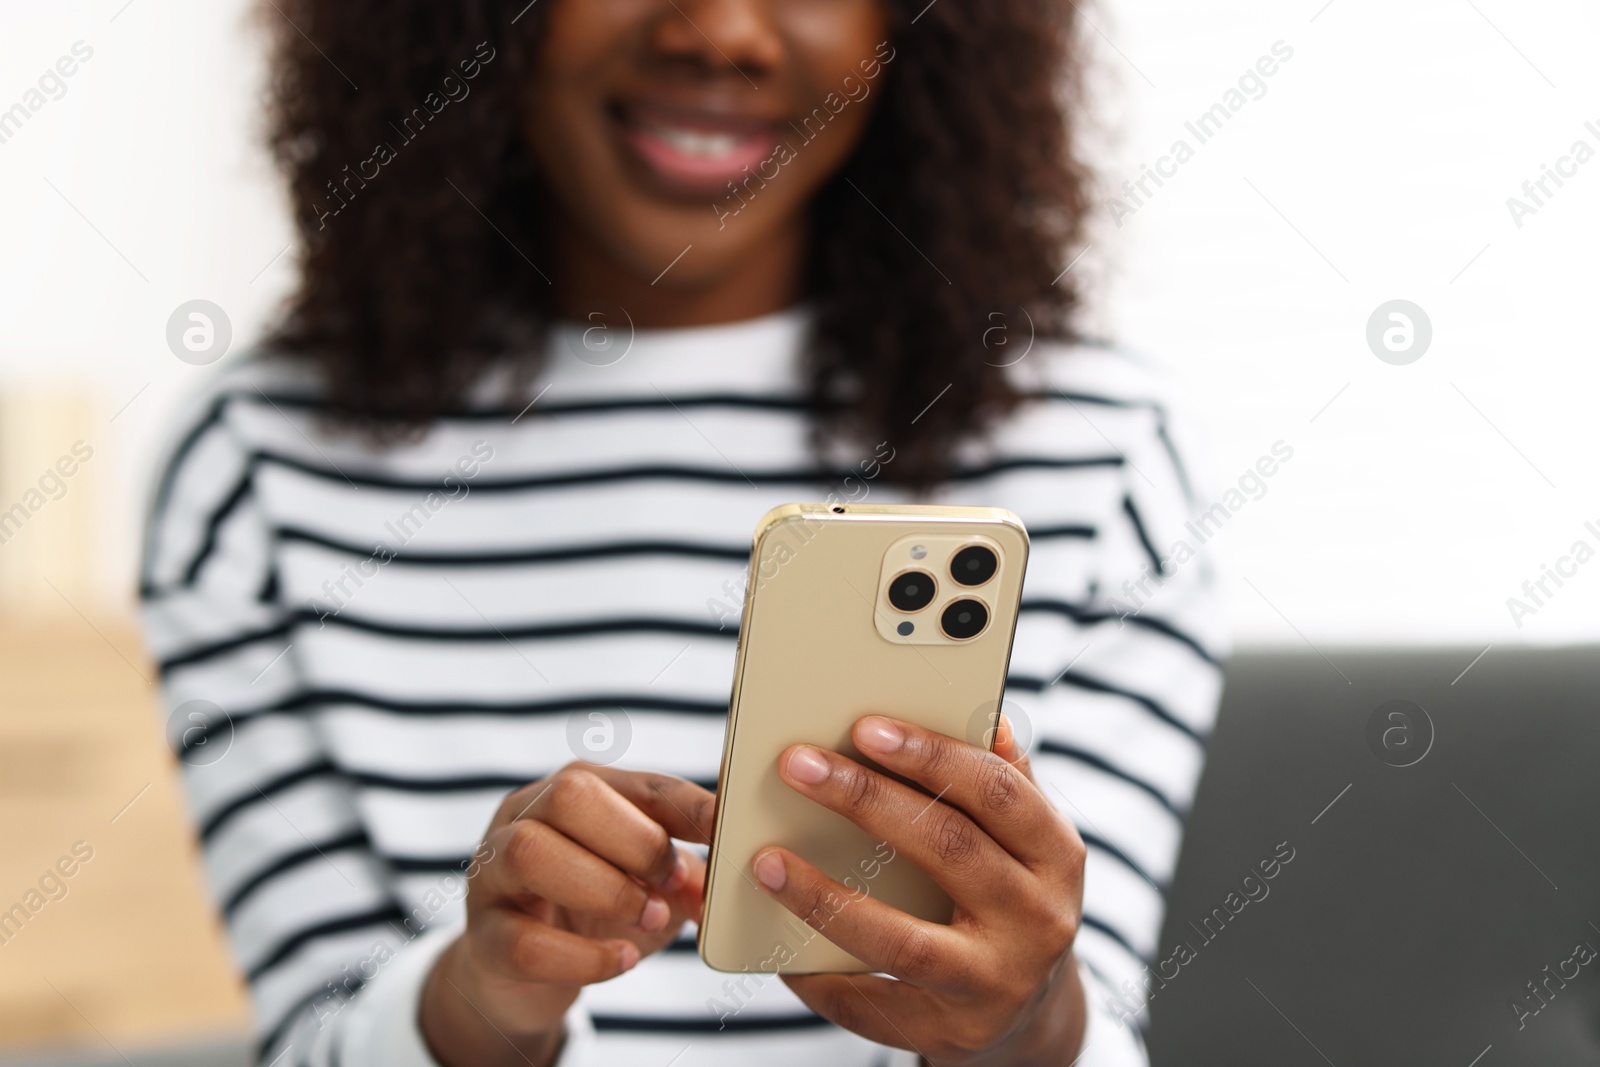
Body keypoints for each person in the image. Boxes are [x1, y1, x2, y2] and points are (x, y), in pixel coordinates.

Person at [139, 1, 1225, 1064]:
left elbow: (1096, 1024)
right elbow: (313, 1038)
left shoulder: (1099, 457)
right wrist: (481, 1007)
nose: (719, 30)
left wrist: (1025, 1025)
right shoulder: (256, 467)